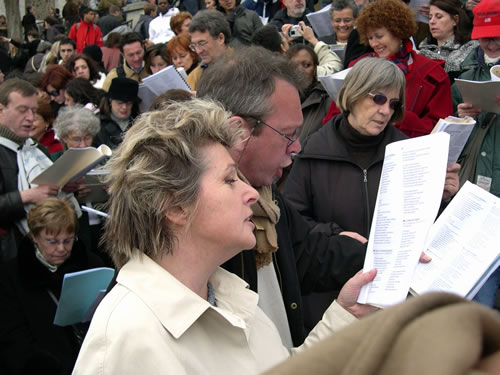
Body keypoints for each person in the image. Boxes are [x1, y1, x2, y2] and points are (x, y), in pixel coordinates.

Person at [72, 98, 375, 374]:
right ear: (176, 206)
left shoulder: (228, 296)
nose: (250, 193)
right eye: (230, 179)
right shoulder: (127, 338)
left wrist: (346, 314)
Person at [197, 46, 369, 347]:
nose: (297, 147)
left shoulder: (266, 198)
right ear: (237, 131)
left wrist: (379, 258)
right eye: (288, 133)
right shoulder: (195, 227)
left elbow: (307, 253)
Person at [283, 57, 460, 327]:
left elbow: (421, 228)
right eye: (378, 98)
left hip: (393, 300)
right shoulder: (313, 152)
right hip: (331, 298)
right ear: (353, 94)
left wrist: (443, 200)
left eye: (393, 104)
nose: (386, 110)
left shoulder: (407, 153)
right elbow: (291, 225)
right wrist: (335, 236)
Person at [0, 197, 103, 375]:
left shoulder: (91, 264)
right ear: (35, 237)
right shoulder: (11, 276)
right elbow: (13, 339)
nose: (62, 248)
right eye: (52, 242)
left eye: (68, 240)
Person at [326, 0, 453, 138]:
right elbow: (333, 117)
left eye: (379, 36)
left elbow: (440, 128)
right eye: (370, 38)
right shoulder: (358, 66)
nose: (374, 43)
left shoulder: (430, 72)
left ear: (398, 32)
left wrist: (398, 116)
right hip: (357, 149)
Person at [452, 0, 500, 308]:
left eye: (497, 35)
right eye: (485, 36)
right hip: (475, 183)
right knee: (476, 285)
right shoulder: (466, 70)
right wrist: (461, 115)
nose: (491, 42)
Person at [0, 79, 80, 262]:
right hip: (11, 258)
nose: (30, 117)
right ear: (1, 110)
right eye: (22, 110)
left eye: (34, 111)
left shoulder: (35, 148)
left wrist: (66, 187)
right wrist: (26, 196)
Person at [419, 0, 478, 81]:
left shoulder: (471, 47)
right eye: (430, 17)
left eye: (439, 16)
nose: (432, 21)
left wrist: (424, 56)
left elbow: (459, 69)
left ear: (455, 20)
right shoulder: (423, 47)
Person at [285, 44, 330, 144]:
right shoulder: (276, 98)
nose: (300, 70)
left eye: (306, 65)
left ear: (314, 69)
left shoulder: (326, 99)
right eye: (294, 65)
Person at [187, 10, 232, 90]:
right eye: (194, 45)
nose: (198, 51)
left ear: (220, 38)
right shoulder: (194, 76)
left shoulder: (244, 67)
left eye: (202, 43)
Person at [94, 77, 139, 149]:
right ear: (110, 100)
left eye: (129, 103)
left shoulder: (140, 123)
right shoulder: (97, 124)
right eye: (120, 103)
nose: (124, 107)